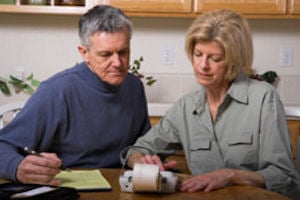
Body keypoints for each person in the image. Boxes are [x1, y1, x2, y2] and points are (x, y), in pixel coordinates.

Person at [126, 9, 300, 198]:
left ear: (234, 60)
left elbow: (285, 177)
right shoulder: (186, 107)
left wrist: (230, 175)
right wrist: (142, 162)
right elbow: (137, 151)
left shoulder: (263, 98)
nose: (202, 65)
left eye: (215, 58)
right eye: (198, 54)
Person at [0, 5, 150, 185]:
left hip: (122, 186)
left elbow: (143, 145)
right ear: (84, 53)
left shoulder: (134, 86)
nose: (117, 63)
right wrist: (17, 167)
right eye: (105, 54)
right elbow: (3, 146)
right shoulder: (56, 91)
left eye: (123, 52)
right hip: (69, 187)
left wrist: (143, 157)